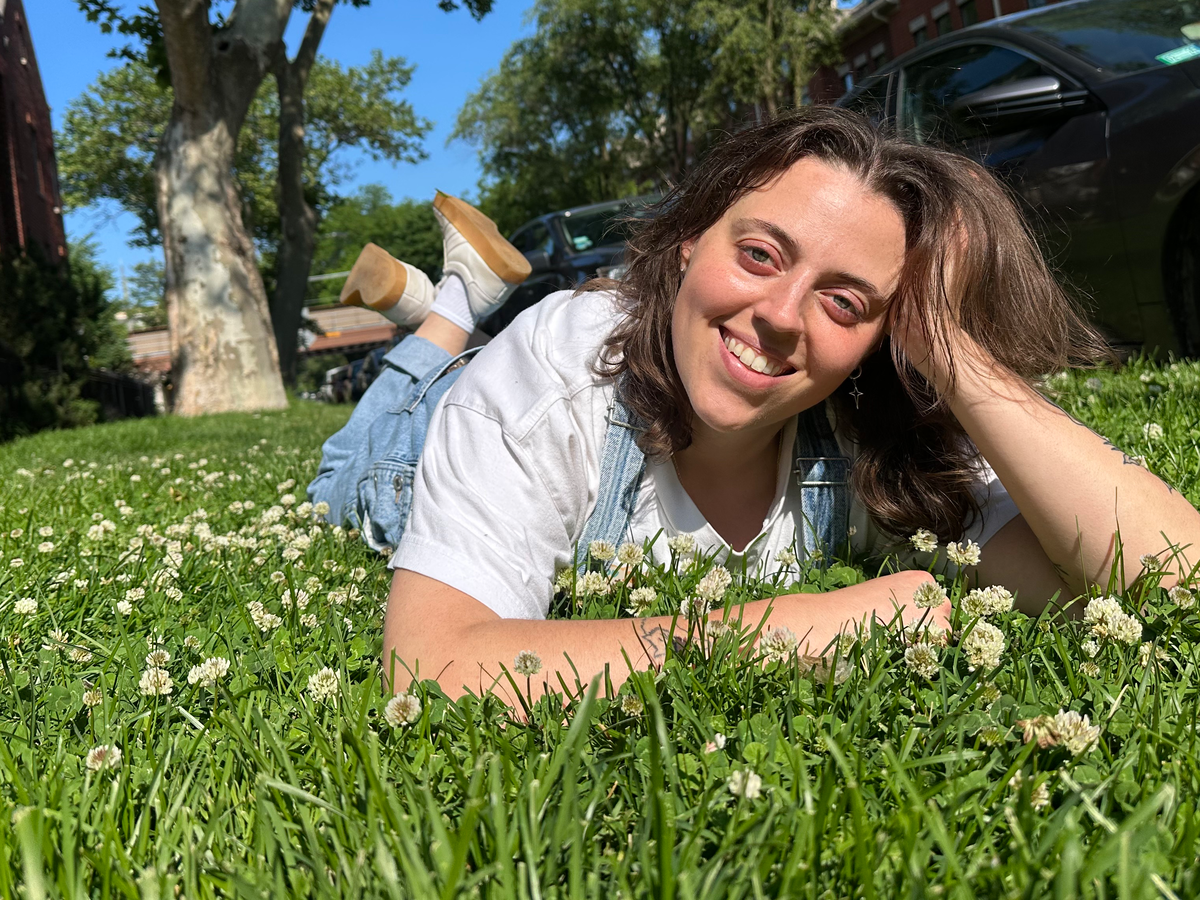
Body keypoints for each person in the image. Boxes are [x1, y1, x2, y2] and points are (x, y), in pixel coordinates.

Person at [309, 108, 1200, 706]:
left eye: (845, 301)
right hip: (413, 457)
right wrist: (800, 627)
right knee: (358, 457)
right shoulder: (560, 367)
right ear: (690, 239)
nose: (780, 316)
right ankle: (449, 312)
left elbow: (1173, 582)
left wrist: (955, 351)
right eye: (761, 255)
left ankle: (448, 302)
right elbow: (430, 669)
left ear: (884, 338)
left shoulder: (864, 427)